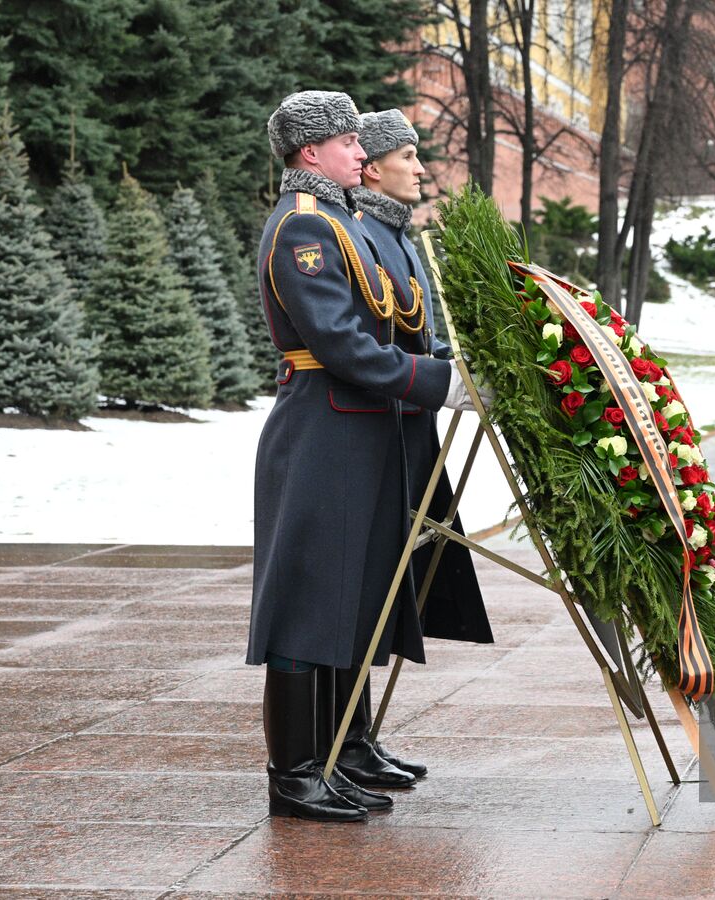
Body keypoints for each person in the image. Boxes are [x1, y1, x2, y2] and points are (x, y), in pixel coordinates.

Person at [247, 91, 494, 822]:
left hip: (358, 428)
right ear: (309, 153)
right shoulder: (303, 229)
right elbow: (340, 343)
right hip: (323, 429)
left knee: (350, 596)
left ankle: (331, 756)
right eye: (348, 142)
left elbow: (390, 323)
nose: (363, 152)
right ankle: (294, 774)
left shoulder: (340, 220)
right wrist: (435, 382)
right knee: (307, 602)